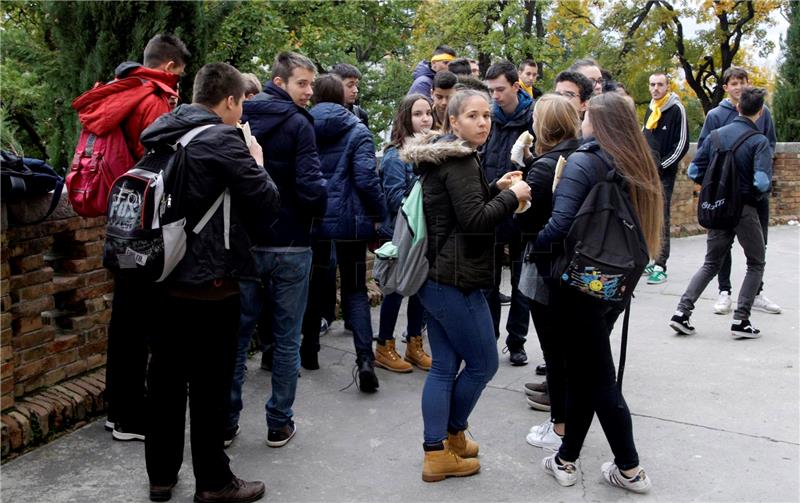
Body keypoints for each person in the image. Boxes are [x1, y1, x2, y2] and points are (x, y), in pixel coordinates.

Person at [141, 62, 280, 503]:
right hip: (210, 283)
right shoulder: (222, 138)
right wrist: (257, 160)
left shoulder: (161, 132)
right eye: (241, 105)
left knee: (163, 382)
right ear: (231, 100)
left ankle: (161, 477)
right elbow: (267, 203)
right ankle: (214, 482)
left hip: (160, 276)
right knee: (209, 388)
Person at [398, 89, 531, 482]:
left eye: (487, 116)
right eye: (473, 116)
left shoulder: (453, 155)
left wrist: (495, 188)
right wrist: (512, 196)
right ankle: (447, 438)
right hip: (454, 279)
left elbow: (458, 212)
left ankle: (439, 448)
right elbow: (474, 221)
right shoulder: (457, 160)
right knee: (484, 363)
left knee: (443, 366)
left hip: (440, 274)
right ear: (452, 122)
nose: (484, 122)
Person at [533, 92, 662, 494]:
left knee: (598, 378)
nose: (582, 121)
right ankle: (566, 458)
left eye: (587, 115)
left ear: (598, 123)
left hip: (578, 285)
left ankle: (630, 469)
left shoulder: (585, 163)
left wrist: (531, 248)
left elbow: (557, 228)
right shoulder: (639, 165)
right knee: (586, 373)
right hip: (615, 284)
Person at [227, 51, 328, 449]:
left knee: (237, 337)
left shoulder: (242, 117)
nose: (308, 92)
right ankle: (278, 423)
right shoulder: (300, 125)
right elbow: (309, 186)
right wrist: (321, 200)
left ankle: (227, 421)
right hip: (290, 242)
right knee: (287, 339)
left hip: (248, 241)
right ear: (280, 80)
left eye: (311, 85)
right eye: (302, 84)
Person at [96, 33, 188, 442]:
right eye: (180, 74)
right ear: (169, 67)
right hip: (143, 228)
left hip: (120, 219)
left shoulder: (122, 91)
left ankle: (118, 409)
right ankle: (130, 417)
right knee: (141, 325)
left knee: (125, 322)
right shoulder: (152, 99)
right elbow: (162, 163)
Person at [305, 74, 388, 392]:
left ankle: (309, 352)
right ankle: (365, 361)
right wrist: (379, 213)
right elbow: (367, 179)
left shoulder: (303, 127)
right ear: (342, 98)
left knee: (313, 285)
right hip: (351, 224)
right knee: (354, 289)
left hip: (314, 221)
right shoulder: (358, 131)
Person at [670, 87, 772, 339]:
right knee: (756, 262)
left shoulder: (715, 136)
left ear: (738, 107)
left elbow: (694, 172)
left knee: (711, 263)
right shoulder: (758, 141)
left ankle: (682, 313)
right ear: (759, 112)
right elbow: (761, 182)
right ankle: (741, 319)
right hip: (744, 210)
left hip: (718, 208)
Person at [515, 94, 581, 437]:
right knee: (571, 349)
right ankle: (569, 420)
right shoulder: (582, 156)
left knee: (555, 352)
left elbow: (527, 222)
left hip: (546, 267)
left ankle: (559, 427)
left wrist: (515, 191)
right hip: (579, 263)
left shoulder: (544, 167)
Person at [697, 67, 780, 315]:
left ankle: (756, 292)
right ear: (726, 87)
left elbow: (771, 144)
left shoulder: (763, 113)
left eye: (742, 82)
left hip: (753, 194)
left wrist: (760, 171)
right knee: (722, 246)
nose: (739, 86)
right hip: (724, 192)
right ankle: (725, 291)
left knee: (759, 244)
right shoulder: (715, 115)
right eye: (733, 83)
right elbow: (704, 150)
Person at [375, 93, 434, 373]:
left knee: (419, 290)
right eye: (418, 114)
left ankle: (414, 344)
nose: (425, 119)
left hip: (421, 236)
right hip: (399, 234)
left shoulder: (431, 152)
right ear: (405, 118)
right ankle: (384, 346)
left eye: (428, 113)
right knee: (395, 290)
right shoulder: (394, 156)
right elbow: (394, 198)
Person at [483, 60, 535, 365]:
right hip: (492, 206)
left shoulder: (534, 118)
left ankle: (517, 341)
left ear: (516, 86)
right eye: (491, 90)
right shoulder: (488, 118)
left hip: (522, 210)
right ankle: (489, 337)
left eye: (500, 89)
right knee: (488, 280)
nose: (496, 96)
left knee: (520, 281)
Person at [641, 72, 689, 285]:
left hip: (664, 174)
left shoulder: (676, 108)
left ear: (668, 86)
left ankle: (661, 264)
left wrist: (661, 167)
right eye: (652, 84)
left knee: (662, 217)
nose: (655, 88)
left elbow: (682, 144)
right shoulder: (651, 108)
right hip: (647, 174)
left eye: (660, 84)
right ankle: (650, 257)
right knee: (647, 216)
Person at [331, 63, 370, 127]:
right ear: (336, 86)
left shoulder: (360, 115)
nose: (355, 90)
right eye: (350, 85)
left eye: (356, 85)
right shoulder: (320, 115)